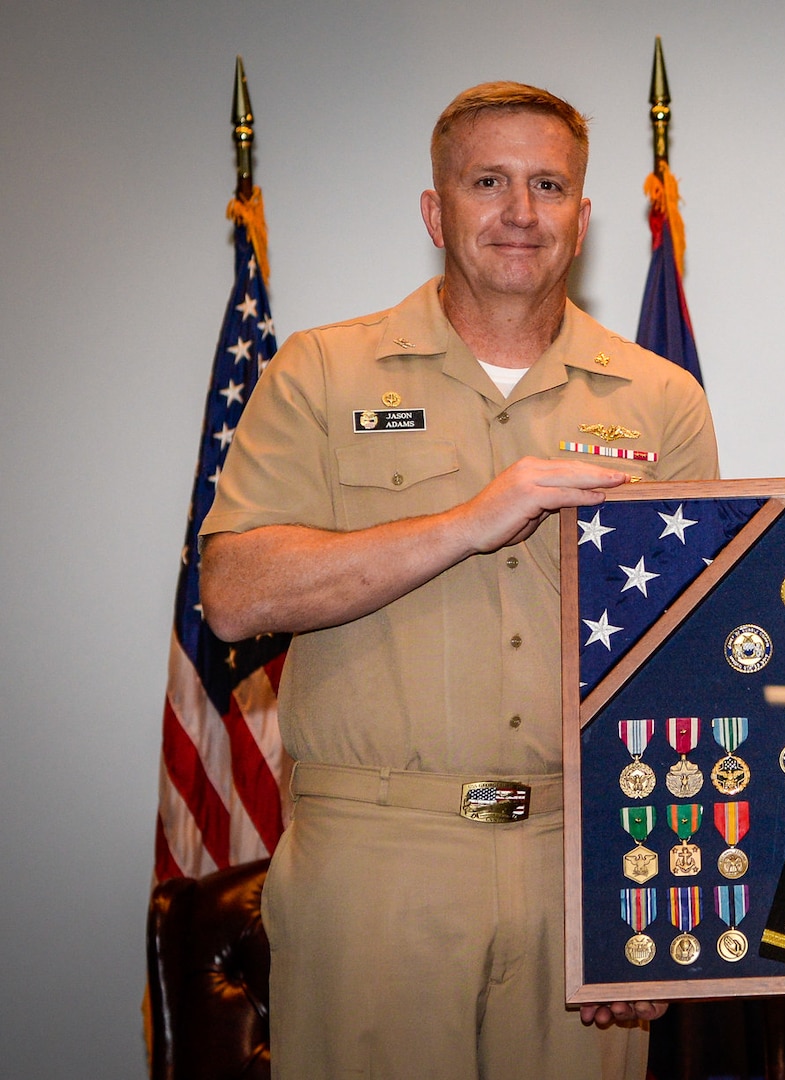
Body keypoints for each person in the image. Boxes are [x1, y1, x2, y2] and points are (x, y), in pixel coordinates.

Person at [198, 82, 716, 1079]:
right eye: (489, 182)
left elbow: (685, 661)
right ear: (436, 211)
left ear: (581, 217)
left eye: (548, 185)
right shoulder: (321, 374)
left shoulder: (660, 399)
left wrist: (655, 895)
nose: (521, 210)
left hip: (581, 855)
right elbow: (235, 593)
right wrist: (470, 522)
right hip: (379, 860)